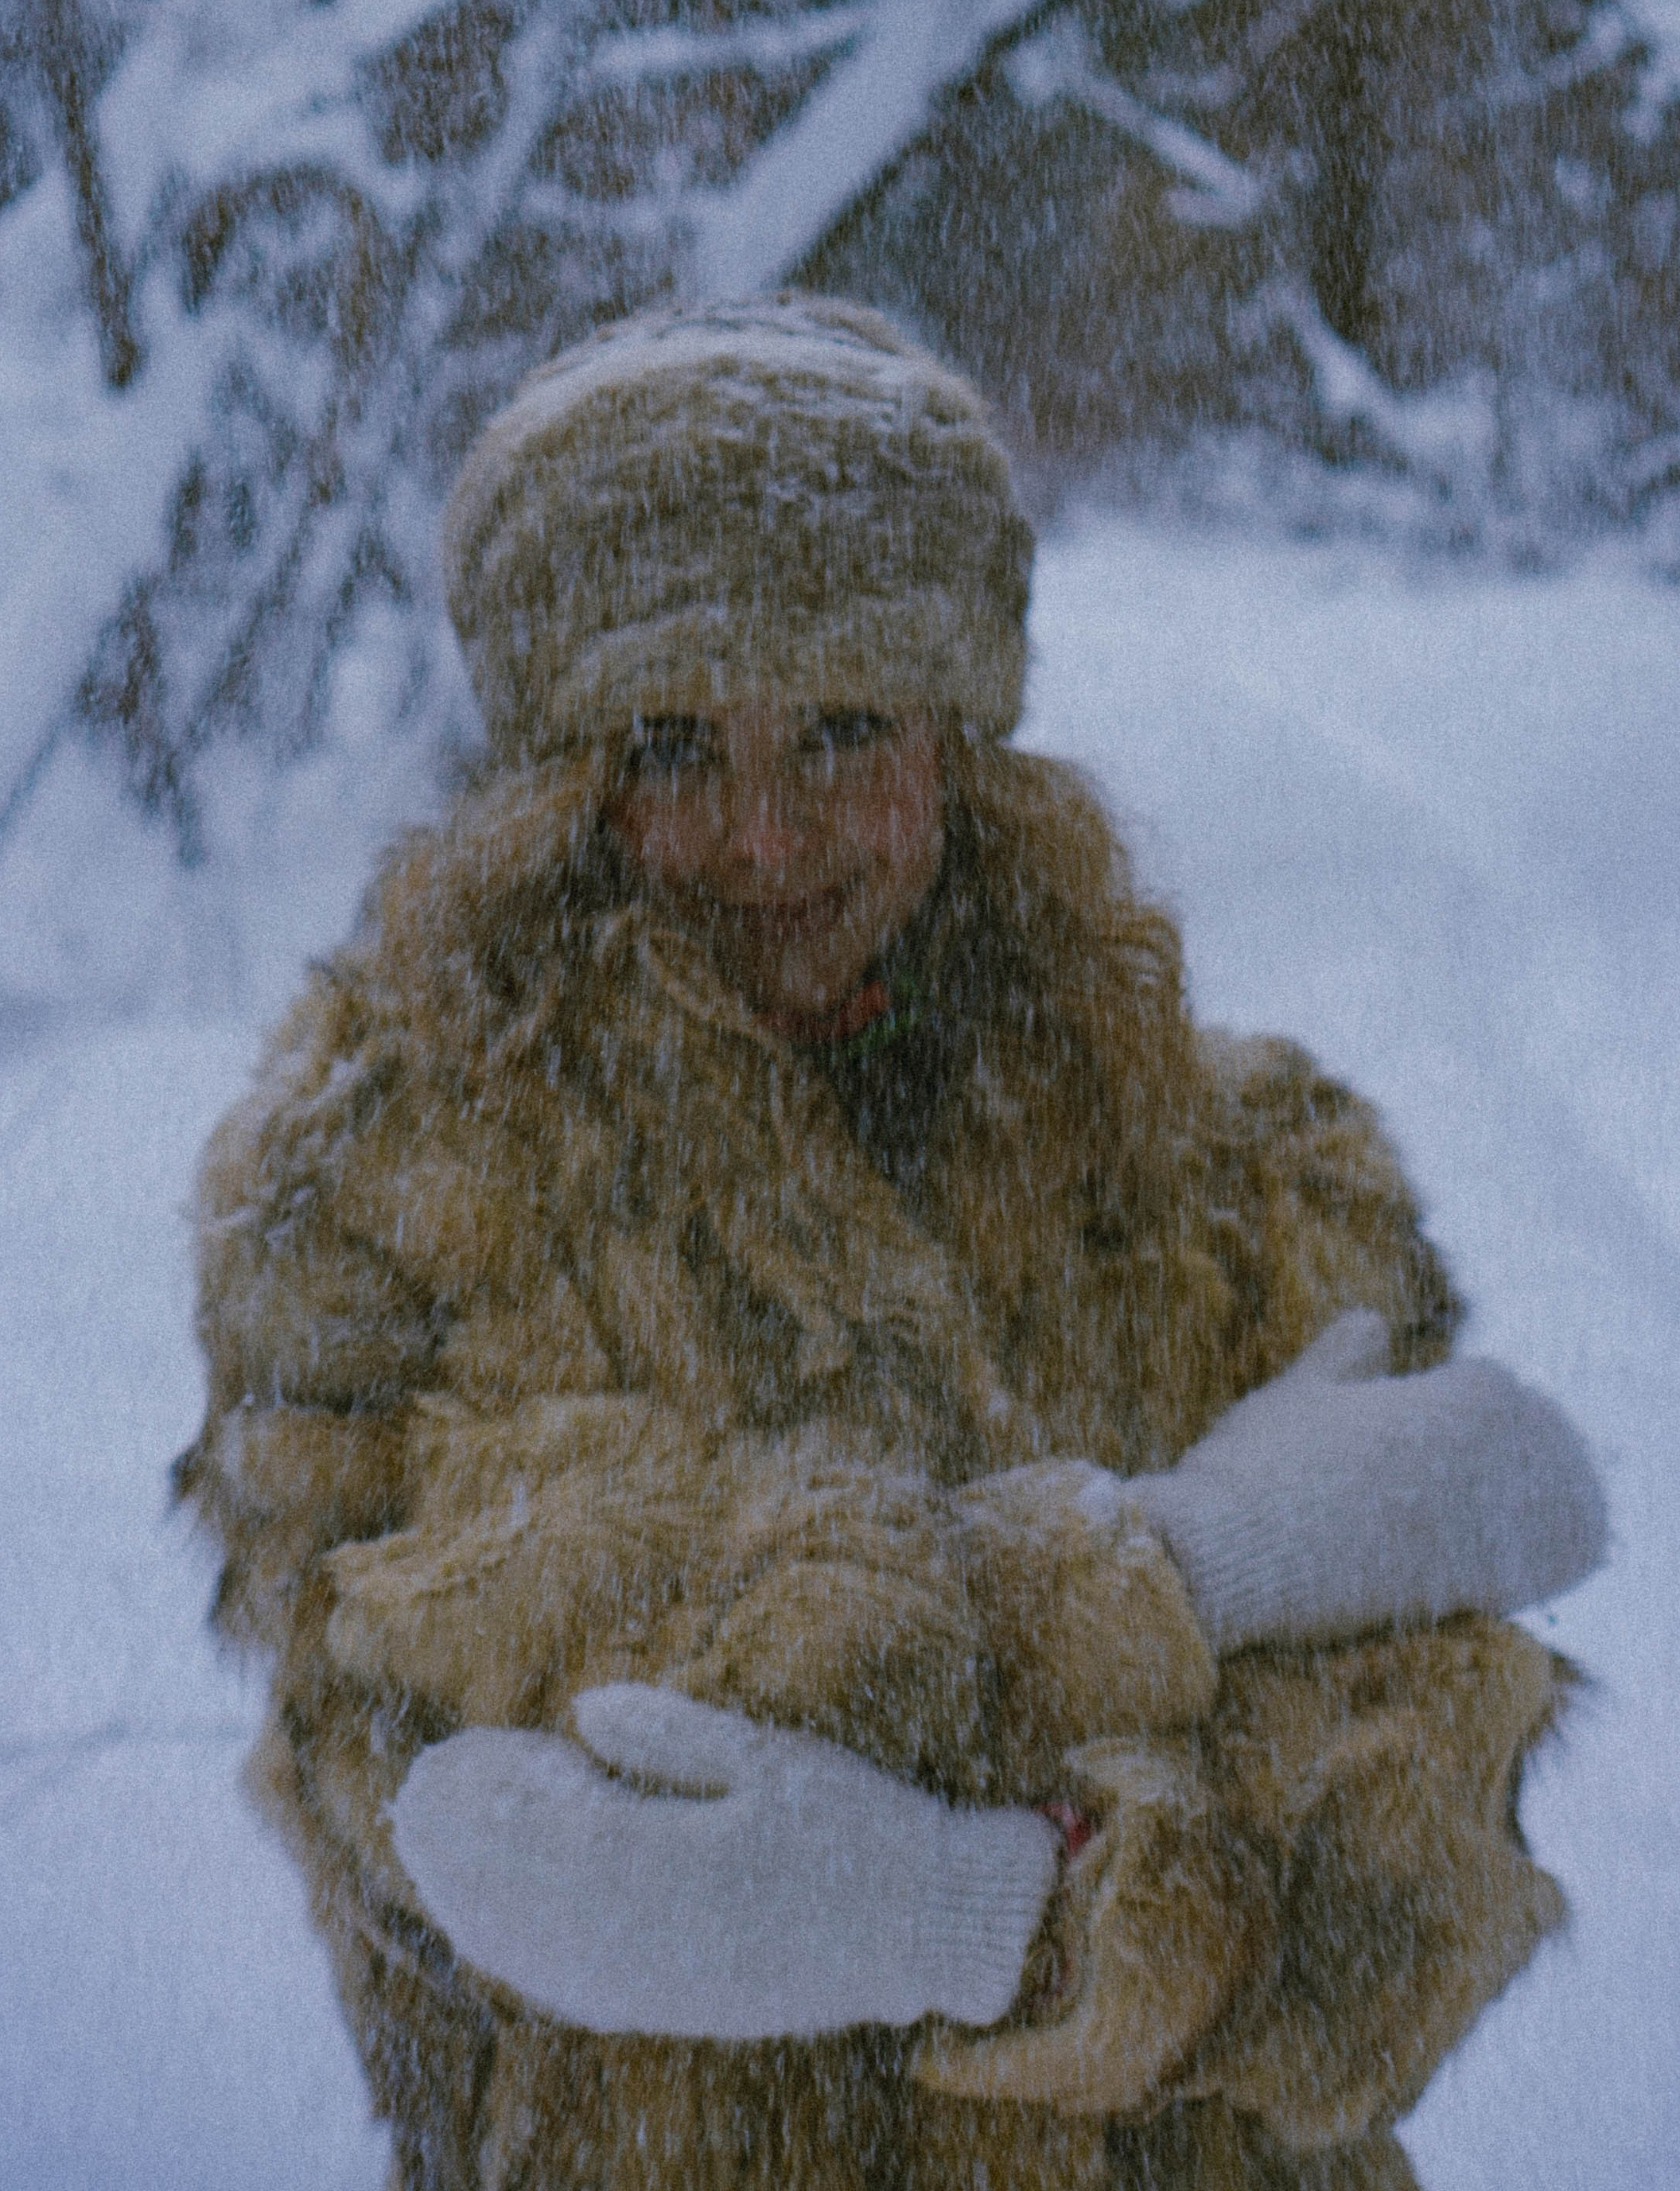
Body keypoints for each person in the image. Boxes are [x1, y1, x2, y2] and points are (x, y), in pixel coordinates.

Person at [177, 297, 1606, 2191]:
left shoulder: (1243, 1173)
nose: (764, 834)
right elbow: (443, 1787)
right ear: (558, 780)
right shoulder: (377, 1188)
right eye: (672, 743)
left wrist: (1040, 1930)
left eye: (841, 728)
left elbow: (1417, 1834)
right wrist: (1168, 1585)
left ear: (956, 736)